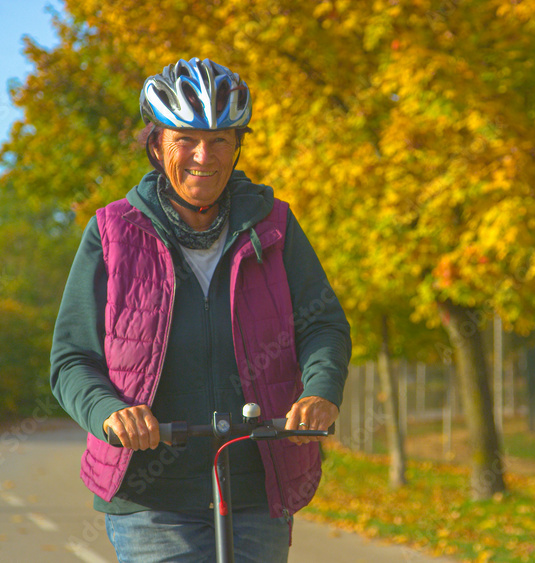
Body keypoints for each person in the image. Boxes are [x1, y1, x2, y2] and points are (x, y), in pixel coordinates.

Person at [49, 57, 351, 562]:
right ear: (156, 143)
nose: (203, 156)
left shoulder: (274, 226)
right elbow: (72, 359)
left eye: (220, 140)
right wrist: (111, 413)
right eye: (184, 139)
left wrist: (321, 392)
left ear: (238, 147)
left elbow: (322, 324)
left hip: (258, 481)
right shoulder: (113, 233)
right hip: (150, 492)